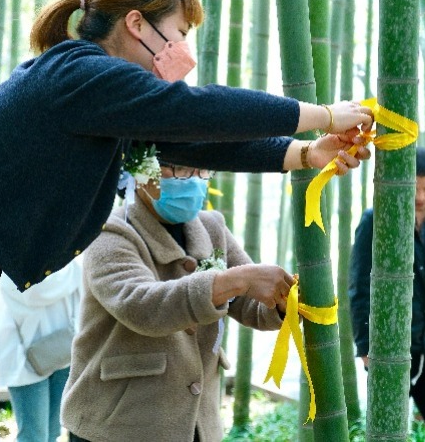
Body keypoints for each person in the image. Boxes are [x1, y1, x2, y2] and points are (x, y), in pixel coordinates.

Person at [0, 0, 373, 440]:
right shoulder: (81, 74)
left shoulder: (92, 91)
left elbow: (192, 142)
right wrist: (324, 115)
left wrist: (308, 154)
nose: (182, 50)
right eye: (179, 32)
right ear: (137, 23)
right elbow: (196, 112)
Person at [61, 159, 291, 441]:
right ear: (140, 169)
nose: (194, 180)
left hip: (197, 425)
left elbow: (250, 305)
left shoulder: (211, 227)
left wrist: (282, 301)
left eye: (202, 170)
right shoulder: (109, 233)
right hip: (118, 424)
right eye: (180, 169)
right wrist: (232, 281)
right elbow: (143, 307)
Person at [348, 147, 425, 431]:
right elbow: (359, 284)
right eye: (415, 188)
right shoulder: (376, 218)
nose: (421, 197)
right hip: (390, 345)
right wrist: (365, 344)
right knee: (386, 430)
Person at [0, 259, 82, 442]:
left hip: (62, 349)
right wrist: (74, 267)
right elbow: (34, 292)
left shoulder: (64, 242)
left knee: (53, 433)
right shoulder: (17, 244)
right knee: (34, 437)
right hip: (23, 358)